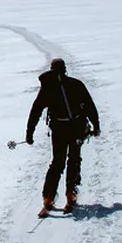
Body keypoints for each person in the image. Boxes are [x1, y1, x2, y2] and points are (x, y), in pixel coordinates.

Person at [26, 58, 101, 216]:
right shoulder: (75, 84)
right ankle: (70, 195)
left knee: (57, 162)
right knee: (74, 159)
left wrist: (29, 133)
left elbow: (36, 110)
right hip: (76, 127)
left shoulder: (47, 87)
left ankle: (48, 198)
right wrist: (96, 125)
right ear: (65, 69)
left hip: (58, 129)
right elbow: (88, 105)